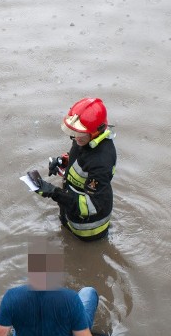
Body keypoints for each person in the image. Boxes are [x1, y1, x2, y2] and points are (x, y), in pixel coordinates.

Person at [30, 97, 116, 241]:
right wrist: (63, 161)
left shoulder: (101, 162)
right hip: (70, 214)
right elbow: (82, 159)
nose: (76, 138)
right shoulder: (85, 140)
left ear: (96, 131)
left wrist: (54, 193)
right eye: (75, 132)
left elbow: (91, 207)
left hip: (87, 230)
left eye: (80, 134)